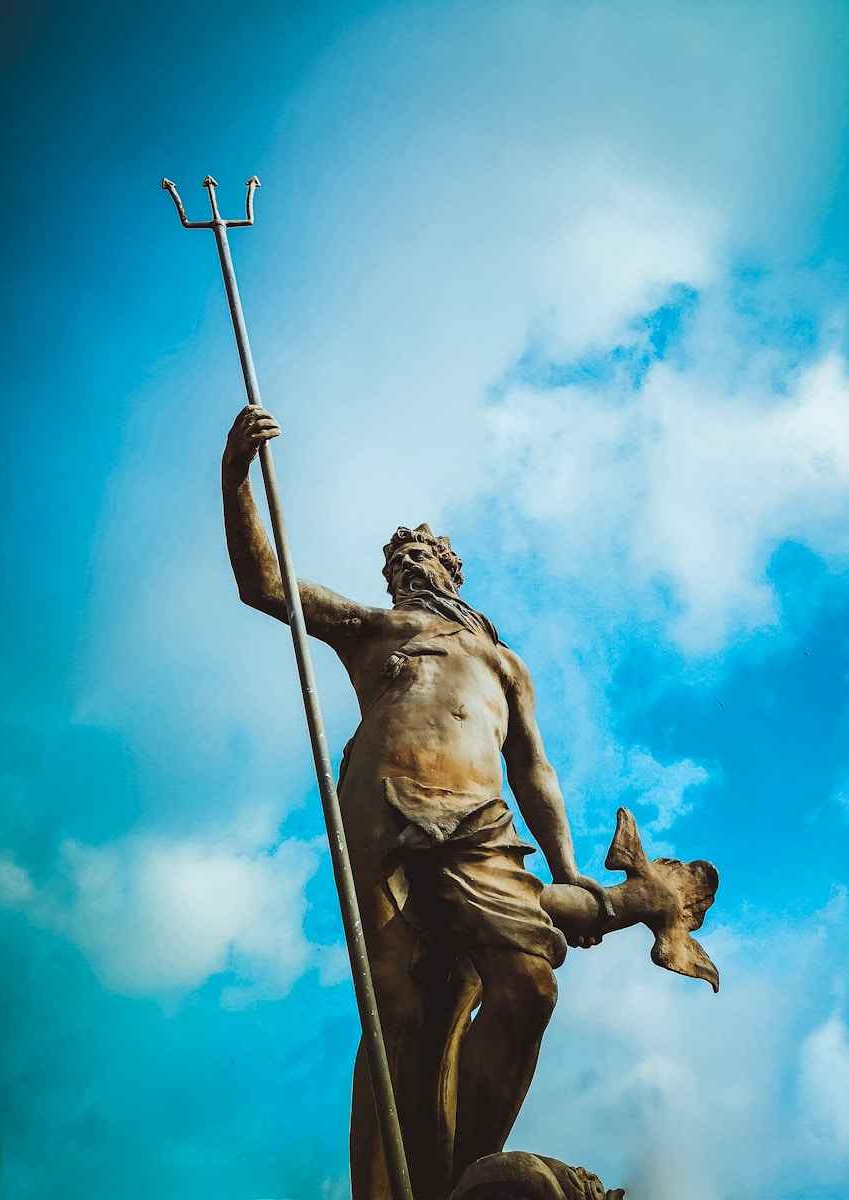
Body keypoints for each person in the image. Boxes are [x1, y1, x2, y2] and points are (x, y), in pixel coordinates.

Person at [222, 406, 612, 1200]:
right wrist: (235, 476)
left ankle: (461, 1177)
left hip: (483, 823)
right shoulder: (373, 628)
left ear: (450, 569)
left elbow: (533, 766)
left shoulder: (504, 663)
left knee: (529, 985)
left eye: (417, 556)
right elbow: (263, 585)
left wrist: (571, 870)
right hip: (387, 808)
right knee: (395, 1003)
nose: (403, 567)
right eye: (395, 560)